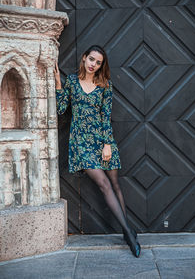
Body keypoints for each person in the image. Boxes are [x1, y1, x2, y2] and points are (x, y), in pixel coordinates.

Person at [54, 45, 141, 258]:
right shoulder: (73, 82)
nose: (93, 64)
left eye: (98, 62)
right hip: (81, 142)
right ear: (84, 58)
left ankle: (125, 229)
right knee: (103, 185)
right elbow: (61, 108)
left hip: (103, 140)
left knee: (115, 185)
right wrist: (58, 83)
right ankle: (130, 234)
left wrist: (108, 144)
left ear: (101, 65)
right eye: (91, 59)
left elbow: (105, 116)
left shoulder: (105, 85)